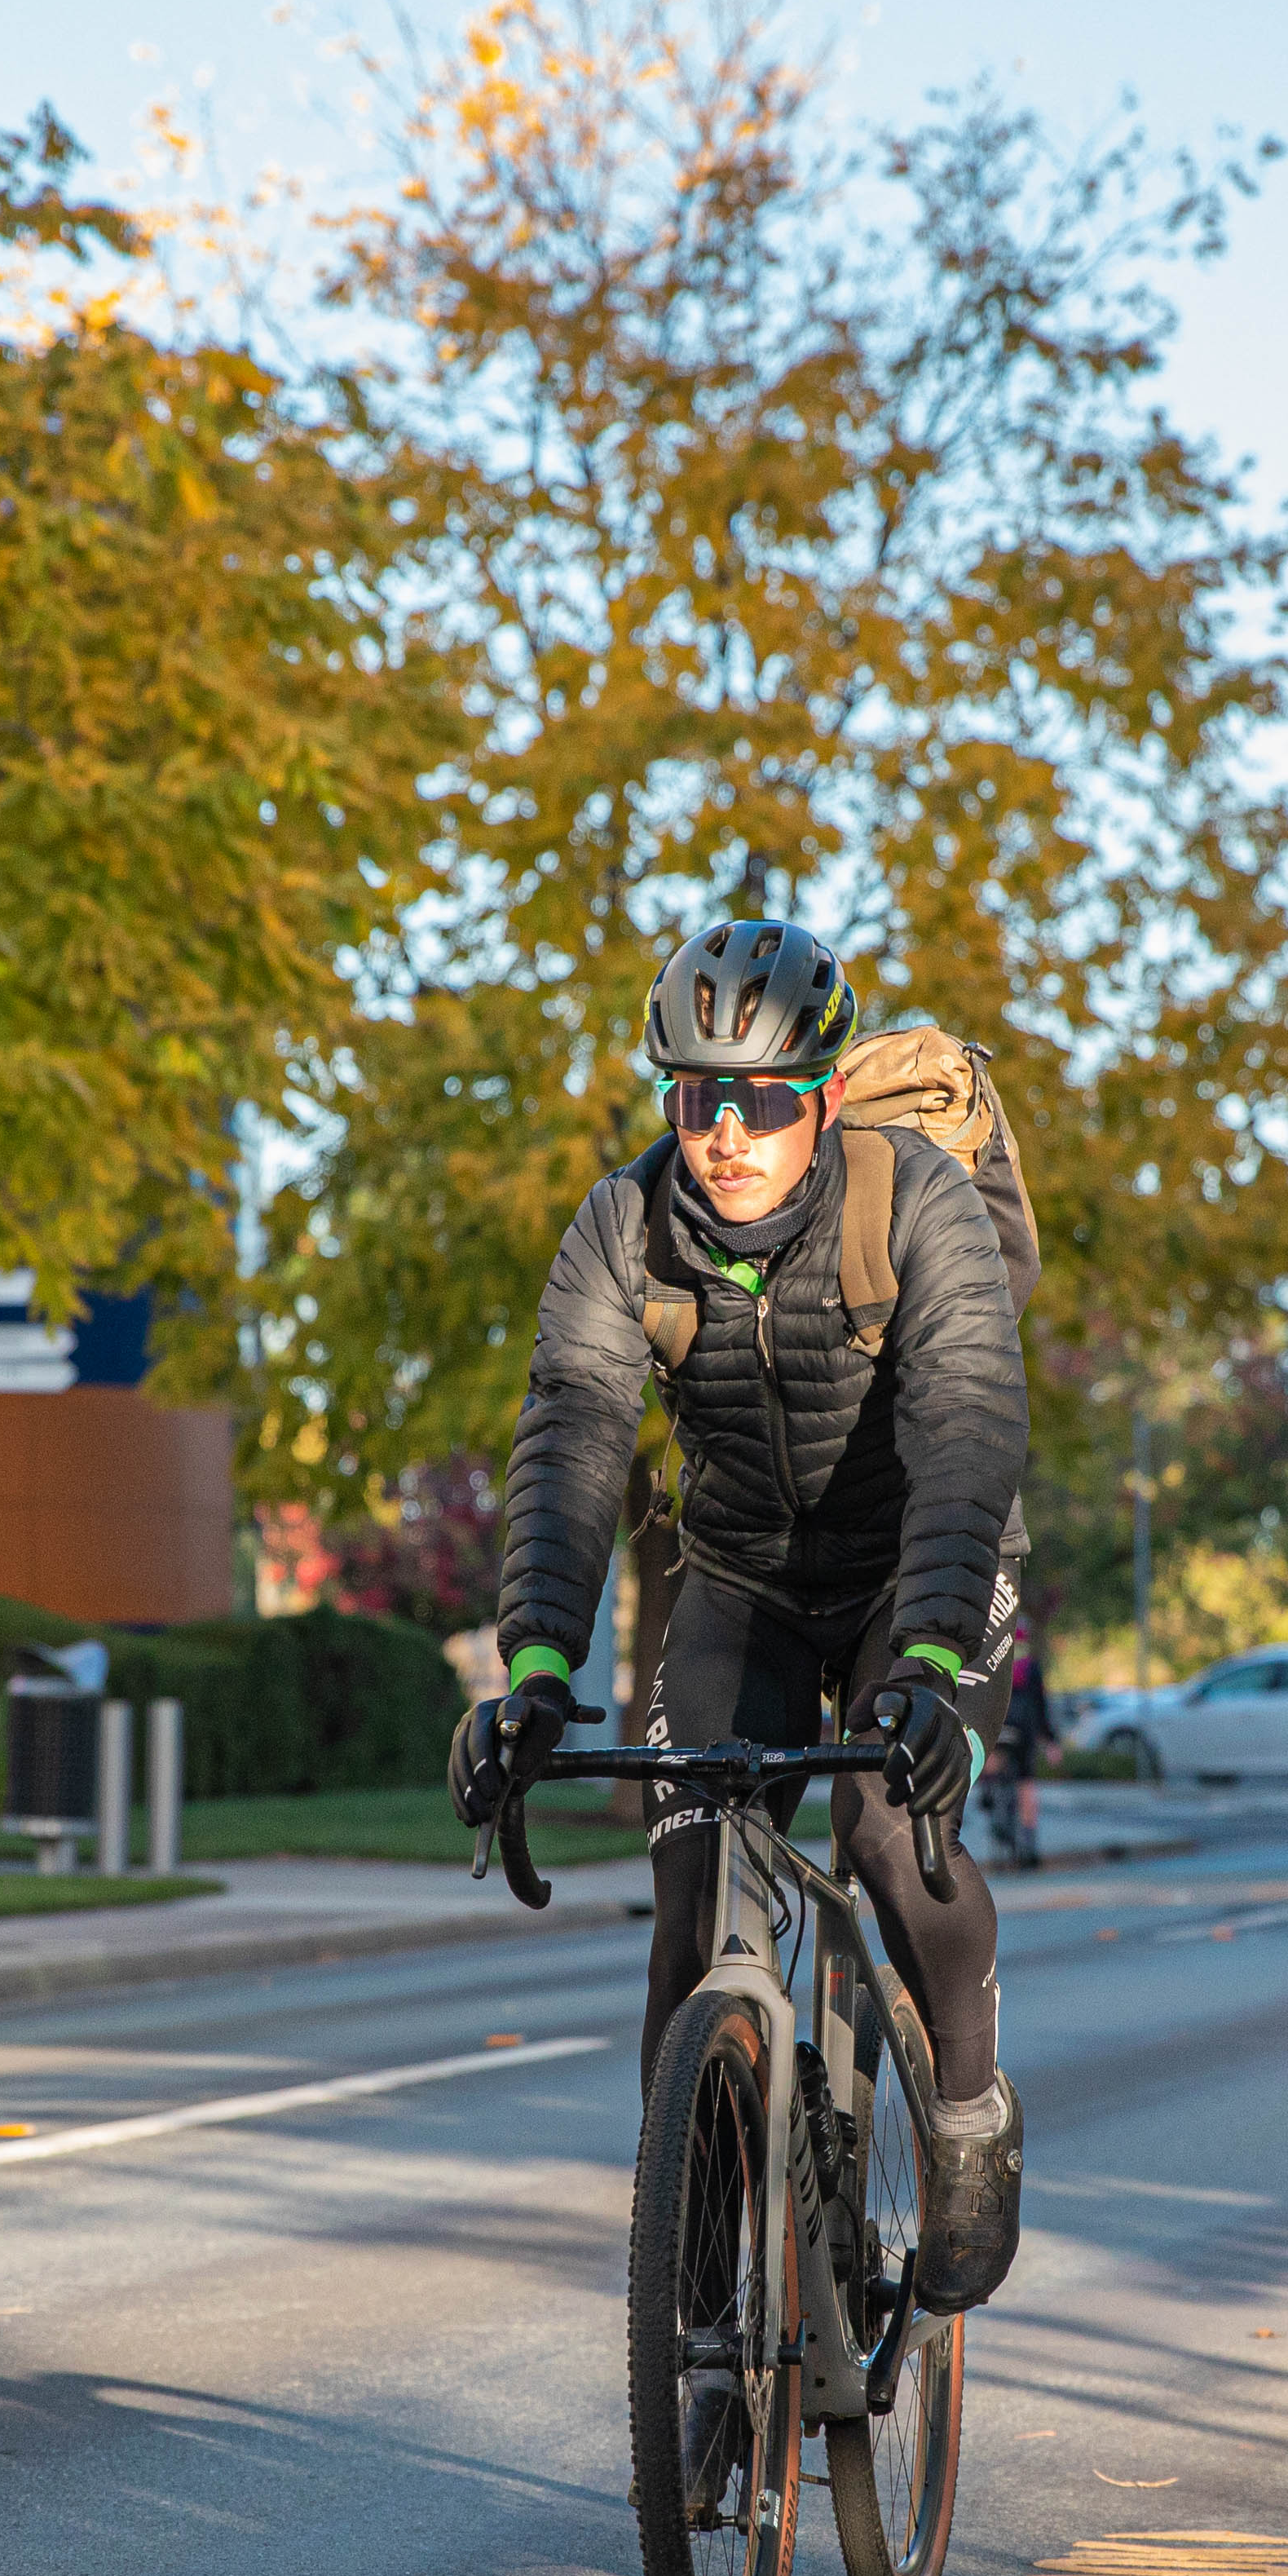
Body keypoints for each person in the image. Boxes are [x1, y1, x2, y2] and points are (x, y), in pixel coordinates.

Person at [451, 917, 1031, 2312]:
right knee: (694, 1877)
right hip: (744, 1576)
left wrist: (937, 1670)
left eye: (764, 1101)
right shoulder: (624, 1228)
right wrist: (532, 1668)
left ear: (822, 1100)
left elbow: (966, 1430)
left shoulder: (919, 1203)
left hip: (917, 1566)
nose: (728, 1131)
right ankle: (698, 2298)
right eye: (699, 1096)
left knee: (892, 1832)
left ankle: (966, 2108)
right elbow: (572, 1441)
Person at [995, 1617, 1056, 1871]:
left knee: (994, 1768)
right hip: (1026, 1732)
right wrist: (1051, 1741)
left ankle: (995, 1808)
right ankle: (1029, 1843)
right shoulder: (1031, 1667)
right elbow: (1041, 1707)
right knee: (1026, 1784)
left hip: (1000, 1728)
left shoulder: (995, 1663)